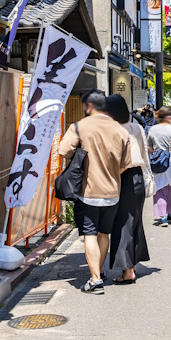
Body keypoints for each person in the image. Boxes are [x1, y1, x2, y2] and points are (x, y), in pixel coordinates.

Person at [58, 90, 133, 293]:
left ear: (89, 106)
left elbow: (63, 150)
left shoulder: (81, 127)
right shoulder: (120, 130)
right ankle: (98, 273)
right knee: (104, 233)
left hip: (89, 191)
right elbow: (126, 163)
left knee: (89, 234)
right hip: (112, 192)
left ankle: (95, 279)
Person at [105, 95, 151, 284]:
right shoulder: (137, 128)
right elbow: (144, 153)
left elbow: (116, 160)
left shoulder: (114, 130)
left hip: (122, 176)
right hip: (137, 177)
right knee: (134, 221)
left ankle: (127, 271)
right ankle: (131, 265)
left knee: (121, 223)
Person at [147, 107, 171, 226]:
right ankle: (170, 213)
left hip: (158, 160)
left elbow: (149, 147)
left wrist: (156, 151)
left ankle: (163, 217)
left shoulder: (152, 130)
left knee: (159, 188)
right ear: (169, 117)